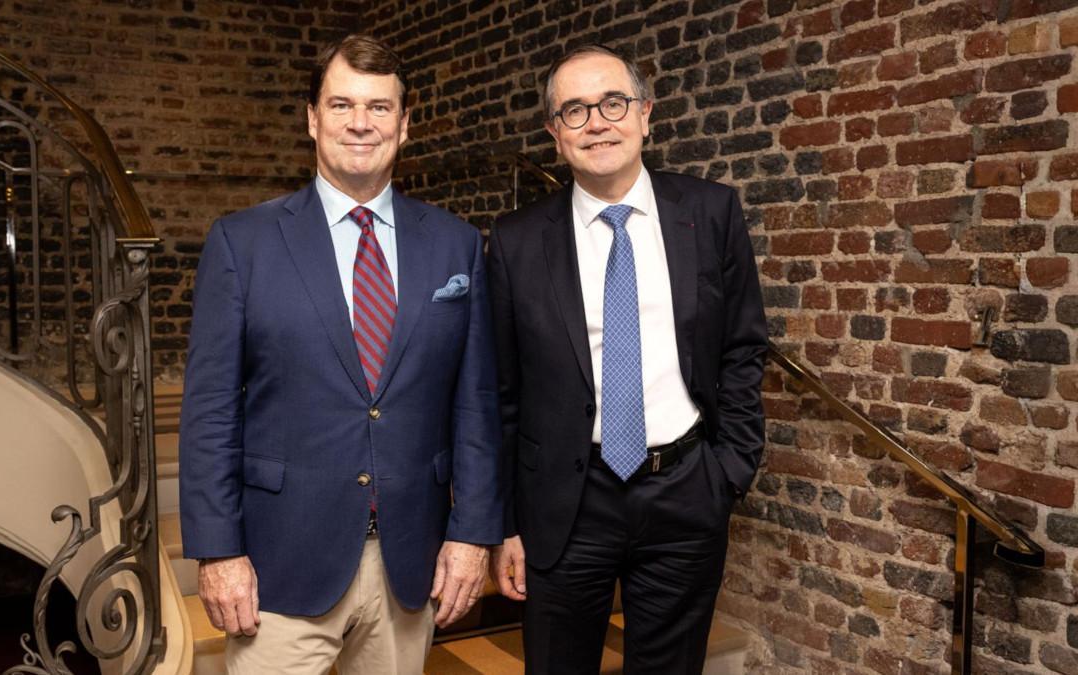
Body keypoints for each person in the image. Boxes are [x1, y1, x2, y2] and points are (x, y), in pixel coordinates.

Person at [179, 34, 501, 675]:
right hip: (279, 564)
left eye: (380, 108)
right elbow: (210, 411)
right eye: (341, 104)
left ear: (405, 125)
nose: (360, 123)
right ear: (312, 118)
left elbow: (477, 406)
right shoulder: (242, 244)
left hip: (410, 560)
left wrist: (472, 533)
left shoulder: (456, 246)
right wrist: (218, 553)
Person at [487, 44, 767, 674]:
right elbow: (501, 392)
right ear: (555, 135)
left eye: (612, 103)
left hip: (686, 491)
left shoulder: (711, 213)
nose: (598, 122)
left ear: (645, 115)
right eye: (575, 111)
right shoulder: (515, 241)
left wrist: (729, 471)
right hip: (566, 500)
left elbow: (744, 349)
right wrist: (506, 523)